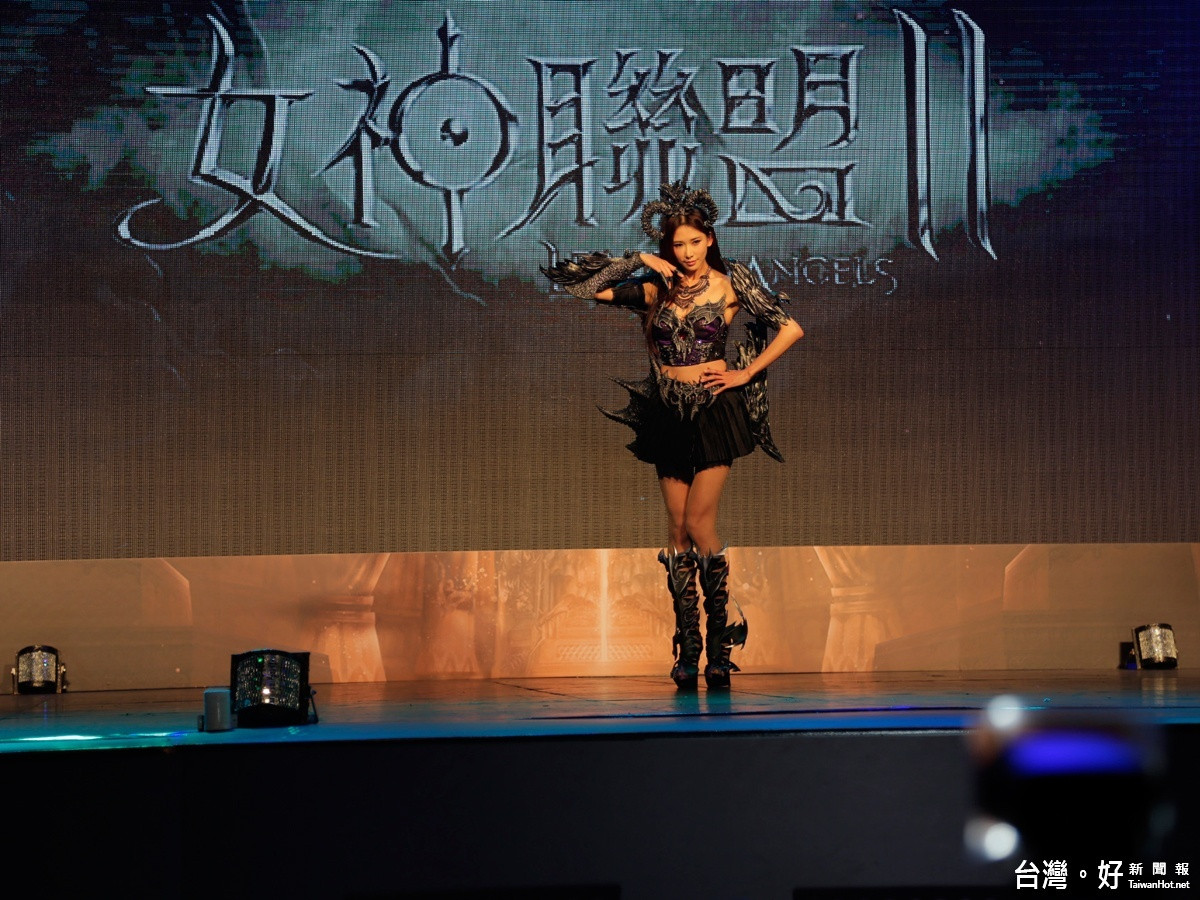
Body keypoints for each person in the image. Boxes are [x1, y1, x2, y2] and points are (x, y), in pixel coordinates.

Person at [542, 182, 804, 690]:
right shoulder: (654, 288)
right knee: (678, 531)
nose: (686, 252)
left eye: (694, 242)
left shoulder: (731, 284)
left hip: (714, 410)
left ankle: (722, 641)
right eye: (676, 244)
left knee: (700, 521)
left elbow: (789, 327)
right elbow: (582, 287)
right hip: (666, 412)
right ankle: (689, 649)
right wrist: (637, 259)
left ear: (710, 240)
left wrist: (745, 374)